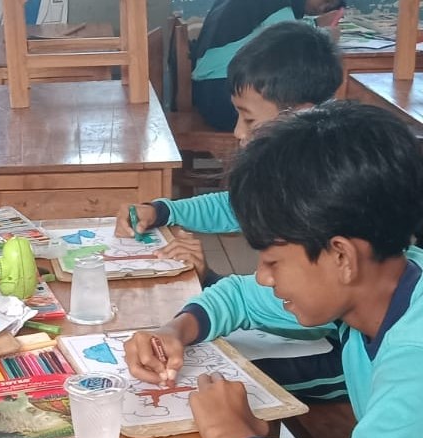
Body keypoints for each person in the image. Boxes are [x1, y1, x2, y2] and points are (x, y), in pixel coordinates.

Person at [124, 102, 423, 438]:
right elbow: (237, 296)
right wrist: (174, 330)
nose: (263, 277)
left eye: (272, 261)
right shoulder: (388, 275)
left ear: (342, 256)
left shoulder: (414, 357)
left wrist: (234, 437)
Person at [118, 22, 347, 405]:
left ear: (299, 115)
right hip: (296, 319)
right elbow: (233, 219)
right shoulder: (291, 172)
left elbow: (270, 303)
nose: (239, 132)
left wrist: (209, 293)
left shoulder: (325, 190)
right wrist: (164, 210)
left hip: (333, 349)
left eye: (250, 119)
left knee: (214, 384)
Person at [189, 0, 345, 131]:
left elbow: (282, 28)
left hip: (208, 93)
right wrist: (327, 36)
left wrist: (316, 23)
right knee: (316, 111)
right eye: (326, 1)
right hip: (225, 98)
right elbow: (291, 45)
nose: (324, 7)